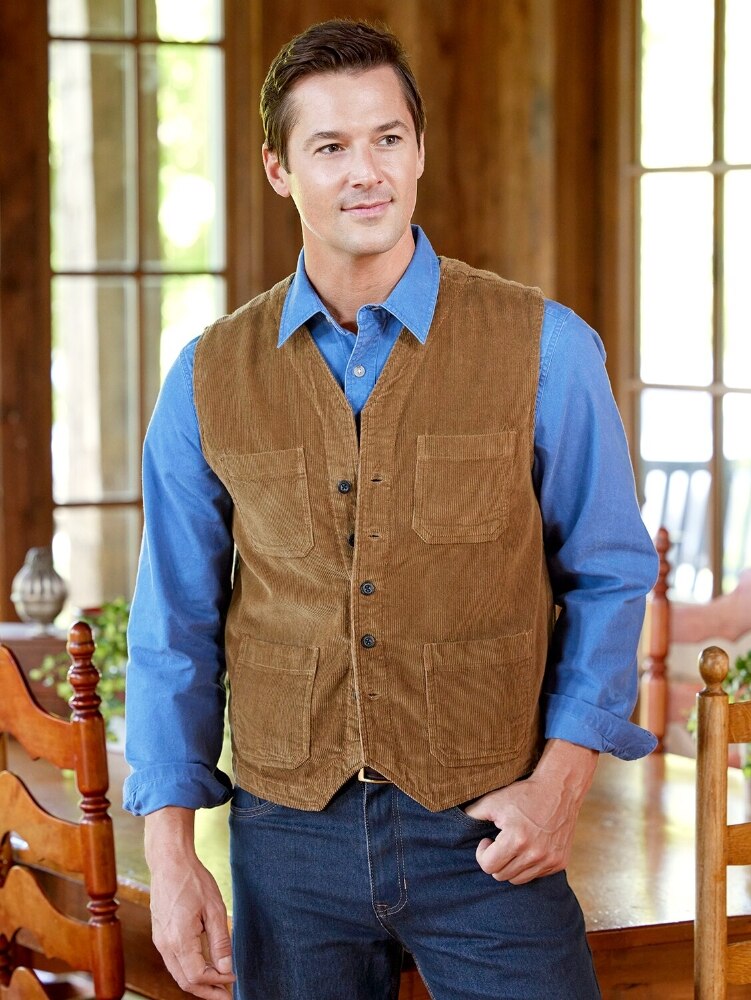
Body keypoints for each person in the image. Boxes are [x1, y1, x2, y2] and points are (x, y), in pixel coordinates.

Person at [124, 18, 658, 1000]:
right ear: (279, 169)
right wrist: (170, 852)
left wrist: (561, 782)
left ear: (418, 152)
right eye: (329, 146)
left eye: (386, 139)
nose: (364, 171)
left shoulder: (544, 347)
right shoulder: (206, 378)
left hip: (488, 830)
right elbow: (173, 624)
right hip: (286, 843)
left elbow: (611, 573)